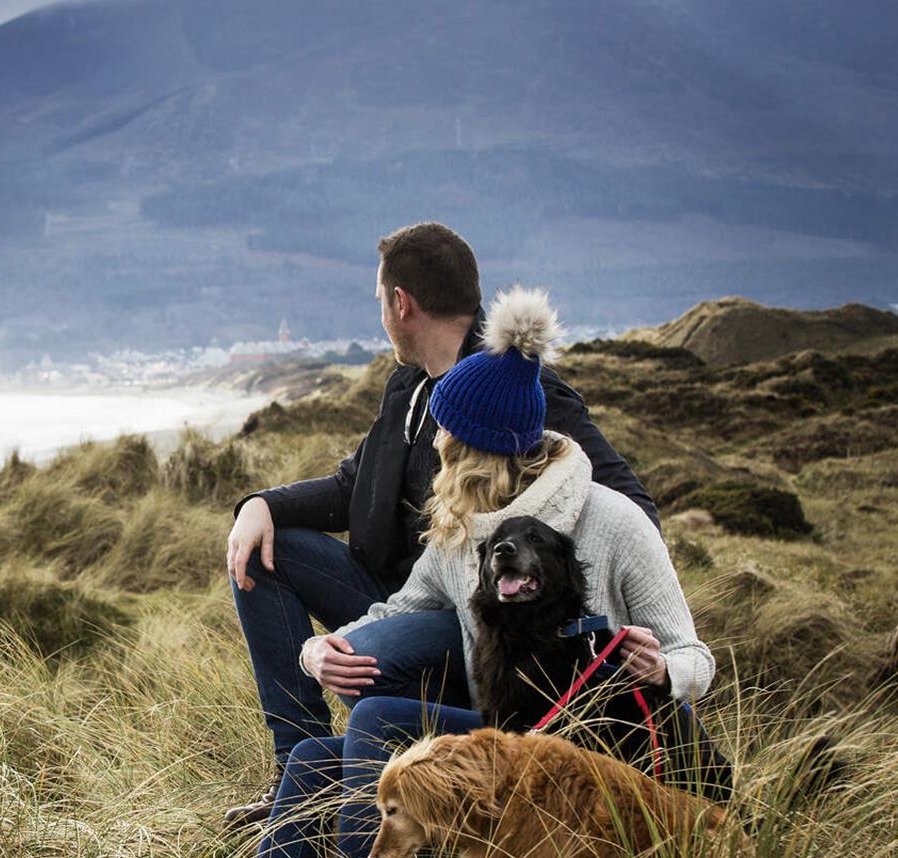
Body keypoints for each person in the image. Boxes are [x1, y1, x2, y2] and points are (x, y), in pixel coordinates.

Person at [231, 285, 715, 858]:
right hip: (505, 734)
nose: (436, 453)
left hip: (594, 754)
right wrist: (321, 649)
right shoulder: (461, 533)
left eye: (447, 442)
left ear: (479, 453)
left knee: (374, 718)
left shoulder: (614, 523)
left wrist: (663, 668)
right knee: (316, 757)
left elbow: (695, 655)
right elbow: (397, 608)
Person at [222, 222, 657, 826]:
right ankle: (299, 772)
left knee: (362, 663)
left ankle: (398, 783)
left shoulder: (512, 386)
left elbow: (630, 506)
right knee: (266, 554)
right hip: (404, 589)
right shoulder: (408, 384)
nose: (380, 314)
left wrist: (528, 589)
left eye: (379, 300)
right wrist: (262, 504)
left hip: (479, 611)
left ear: (400, 302)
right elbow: (356, 487)